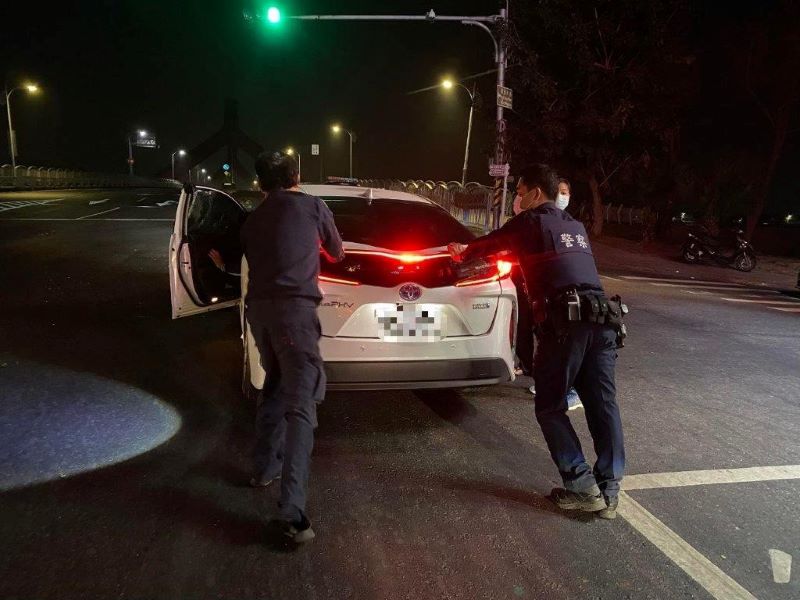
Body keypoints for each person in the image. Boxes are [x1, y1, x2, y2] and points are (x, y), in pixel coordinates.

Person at [448, 164, 625, 519]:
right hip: (604, 322)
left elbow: (484, 247)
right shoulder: (573, 226)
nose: (516, 198)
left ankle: (581, 485)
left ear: (535, 194)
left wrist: (460, 251)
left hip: (566, 328)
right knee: (602, 405)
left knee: (549, 406)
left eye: (519, 191)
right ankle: (610, 490)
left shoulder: (530, 223)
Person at [241, 151, 344, 543]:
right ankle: (291, 514)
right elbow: (337, 251)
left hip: (261, 318)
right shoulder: (313, 207)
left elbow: (253, 259)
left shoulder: (252, 219)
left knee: (275, 386)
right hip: (295, 320)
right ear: (297, 176)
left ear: (261, 184)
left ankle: (263, 468)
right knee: (301, 407)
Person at [555, 179, 584, 412]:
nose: (561, 196)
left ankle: (572, 391)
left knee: (567, 343)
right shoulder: (545, 221)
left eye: (565, 192)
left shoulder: (571, 225)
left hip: (571, 294)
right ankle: (556, 385)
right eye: (558, 192)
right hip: (553, 294)